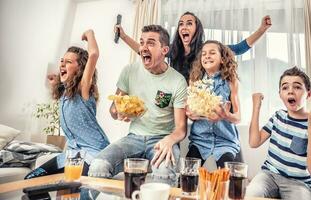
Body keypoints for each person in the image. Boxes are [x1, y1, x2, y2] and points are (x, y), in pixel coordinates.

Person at [88, 25, 187, 186]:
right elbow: (113, 109)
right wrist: (117, 112)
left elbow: (181, 129)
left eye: (151, 43)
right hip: (133, 138)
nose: (143, 48)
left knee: (164, 174)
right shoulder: (129, 71)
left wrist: (169, 140)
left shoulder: (177, 81)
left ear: (164, 50)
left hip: (162, 139)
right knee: (98, 166)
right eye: (141, 42)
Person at [24, 29, 110, 179]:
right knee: (30, 179)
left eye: (68, 62)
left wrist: (90, 34)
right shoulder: (64, 94)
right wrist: (54, 82)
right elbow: (62, 87)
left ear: (80, 69)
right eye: (62, 61)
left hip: (93, 153)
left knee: (73, 184)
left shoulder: (83, 88)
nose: (62, 64)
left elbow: (94, 55)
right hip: (71, 155)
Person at [246, 67, 311, 199]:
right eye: (285, 88)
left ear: (309, 94)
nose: (290, 91)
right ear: (280, 95)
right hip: (268, 175)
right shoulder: (278, 117)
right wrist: (256, 107)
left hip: (299, 183)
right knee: (251, 194)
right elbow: (254, 142)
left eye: (297, 87)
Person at [116, 12, 272, 81]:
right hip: (175, 98)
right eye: (181, 24)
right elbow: (145, 51)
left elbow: (239, 48)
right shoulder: (172, 50)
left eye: (189, 23)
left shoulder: (206, 50)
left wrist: (261, 29)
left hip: (196, 102)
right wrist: (123, 36)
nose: (184, 27)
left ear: (197, 29)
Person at [185, 40, 241, 168]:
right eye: (204, 54)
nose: (207, 56)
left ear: (222, 59)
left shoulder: (231, 81)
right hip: (200, 140)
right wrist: (191, 114)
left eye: (212, 53)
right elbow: (189, 111)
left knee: (231, 180)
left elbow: (238, 117)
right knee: (186, 176)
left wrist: (225, 115)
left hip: (225, 141)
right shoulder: (194, 80)